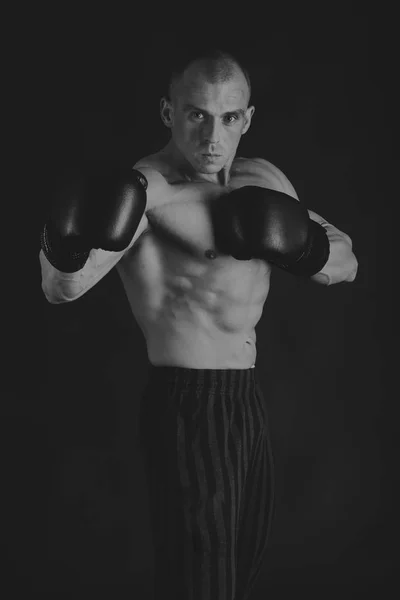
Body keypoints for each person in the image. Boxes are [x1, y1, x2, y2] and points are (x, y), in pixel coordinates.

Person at [39, 48, 358, 600]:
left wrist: (302, 244)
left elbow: (347, 262)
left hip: (245, 402)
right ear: (168, 112)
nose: (214, 137)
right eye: (196, 115)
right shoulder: (148, 194)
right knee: (202, 582)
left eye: (229, 118)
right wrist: (61, 247)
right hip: (188, 404)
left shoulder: (267, 179)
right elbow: (61, 288)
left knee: (237, 571)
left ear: (248, 118)